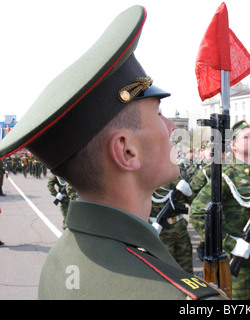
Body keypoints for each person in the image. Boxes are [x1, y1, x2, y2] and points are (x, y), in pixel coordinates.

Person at [0, 6, 224, 300]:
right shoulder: (181, 297)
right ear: (127, 151)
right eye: (158, 114)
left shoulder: (60, 258)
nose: (171, 127)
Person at [190, 120, 250, 300]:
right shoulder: (227, 175)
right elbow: (197, 214)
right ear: (234, 145)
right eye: (247, 137)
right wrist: (231, 244)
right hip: (244, 259)